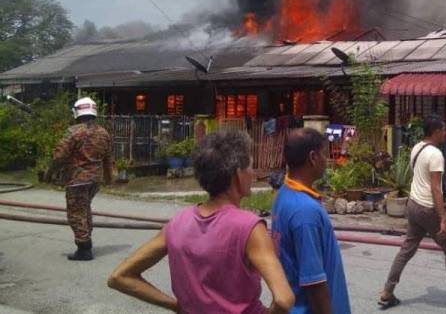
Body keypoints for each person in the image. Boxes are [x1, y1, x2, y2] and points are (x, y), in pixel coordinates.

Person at [108, 130, 294, 314]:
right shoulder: (249, 227)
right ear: (237, 175)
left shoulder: (178, 222)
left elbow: (119, 276)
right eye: (250, 167)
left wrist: (175, 305)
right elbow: (284, 300)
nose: (252, 173)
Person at [378, 115, 446, 312]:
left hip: (413, 205)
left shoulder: (417, 148)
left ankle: (387, 292)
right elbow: (435, 189)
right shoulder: (435, 154)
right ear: (435, 132)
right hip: (427, 208)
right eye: (443, 130)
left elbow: (419, 177)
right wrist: (442, 218)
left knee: (407, 248)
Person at [272, 128, 351, 314]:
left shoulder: (284, 194)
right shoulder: (305, 211)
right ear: (313, 157)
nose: (327, 160)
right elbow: (314, 282)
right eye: (324, 153)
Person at [45, 96, 112, 261]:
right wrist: (109, 177)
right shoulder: (103, 133)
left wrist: (49, 173)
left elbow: (59, 156)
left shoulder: (74, 132)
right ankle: (86, 243)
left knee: (76, 213)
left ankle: (84, 248)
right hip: (95, 179)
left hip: (77, 180)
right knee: (84, 209)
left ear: (77, 112)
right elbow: (108, 158)